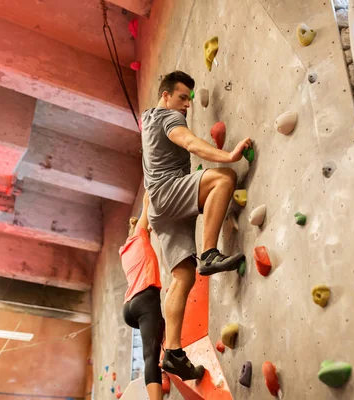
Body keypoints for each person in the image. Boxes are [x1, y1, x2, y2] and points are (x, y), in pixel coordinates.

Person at [140, 71, 252, 379]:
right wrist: (227, 156)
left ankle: (173, 352)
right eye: (181, 98)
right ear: (165, 96)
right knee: (224, 178)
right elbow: (188, 142)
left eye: (189, 100)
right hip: (168, 191)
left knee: (183, 277)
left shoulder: (148, 119)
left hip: (159, 209)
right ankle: (210, 253)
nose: (186, 105)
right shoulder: (167, 117)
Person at [120, 192, 189, 399]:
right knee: (149, 355)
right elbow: (146, 204)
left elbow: (146, 228)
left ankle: (164, 367)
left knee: (159, 337)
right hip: (145, 300)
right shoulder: (138, 235)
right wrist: (152, 184)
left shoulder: (125, 251)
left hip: (130, 307)